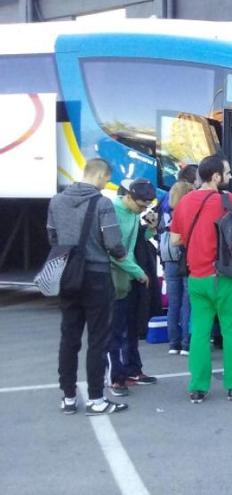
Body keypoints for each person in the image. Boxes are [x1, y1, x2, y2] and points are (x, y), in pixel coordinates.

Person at [49, 158, 129, 415]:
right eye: (106, 179)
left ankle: (69, 397)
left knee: (68, 337)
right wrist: (120, 253)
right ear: (100, 175)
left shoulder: (56, 200)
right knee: (98, 339)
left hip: (67, 276)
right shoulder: (102, 203)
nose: (106, 184)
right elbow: (114, 243)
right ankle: (96, 398)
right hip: (96, 277)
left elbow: (52, 236)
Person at [170, 155, 232, 404]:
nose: (229, 177)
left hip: (196, 277)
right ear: (216, 176)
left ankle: (198, 387)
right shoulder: (229, 201)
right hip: (225, 276)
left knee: (199, 333)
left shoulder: (184, 202)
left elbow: (175, 240)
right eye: (226, 173)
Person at [107, 178, 158, 398]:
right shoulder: (112, 212)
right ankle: (115, 378)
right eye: (141, 205)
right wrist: (137, 271)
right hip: (114, 277)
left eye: (146, 206)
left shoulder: (133, 214)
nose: (143, 209)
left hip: (129, 277)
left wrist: (151, 229)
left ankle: (132, 369)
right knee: (114, 332)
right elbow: (115, 251)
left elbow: (135, 241)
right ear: (128, 196)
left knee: (131, 326)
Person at [161, 180, 194, 355]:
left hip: (168, 259)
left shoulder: (165, 210)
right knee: (187, 303)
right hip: (184, 259)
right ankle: (186, 343)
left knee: (173, 303)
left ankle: (173, 344)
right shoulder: (186, 211)